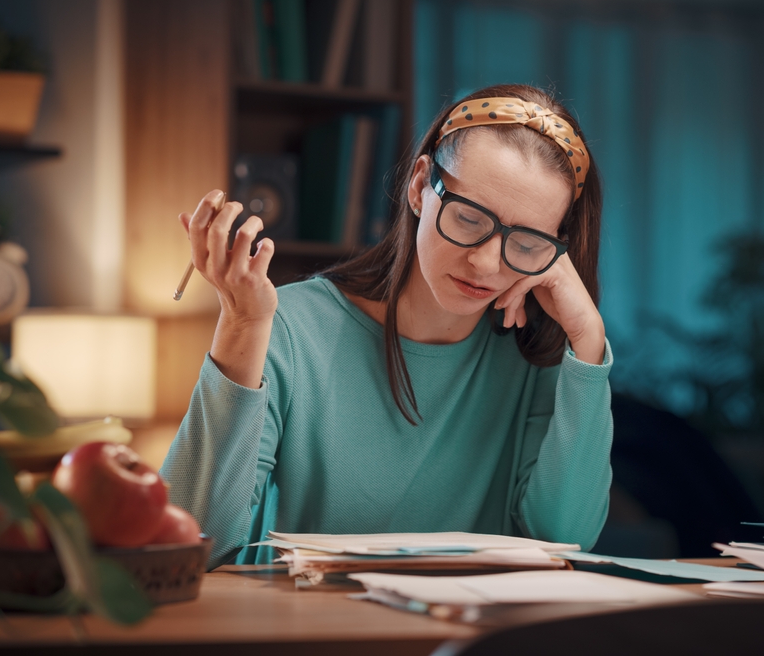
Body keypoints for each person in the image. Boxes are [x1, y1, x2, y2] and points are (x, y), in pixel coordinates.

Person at [161, 84, 614, 568]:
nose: (485, 263)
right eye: (467, 218)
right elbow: (190, 540)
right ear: (420, 186)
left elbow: (566, 537)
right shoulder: (290, 327)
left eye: (525, 243)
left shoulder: (538, 354)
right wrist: (242, 325)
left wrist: (589, 339)